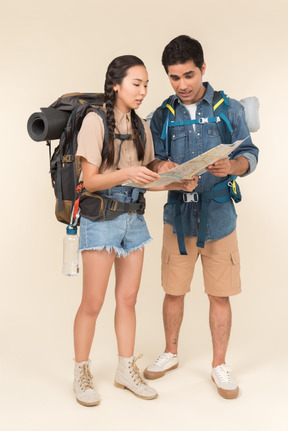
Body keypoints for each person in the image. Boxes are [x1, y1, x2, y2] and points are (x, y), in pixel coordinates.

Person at [73, 55, 198, 406]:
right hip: (100, 221)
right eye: (136, 84)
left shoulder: (141, 126)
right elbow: (90, 181)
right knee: (92, 304)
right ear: (115, 84)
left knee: (127, 300)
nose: (143, 91)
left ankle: (125, 370)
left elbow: (146, 181)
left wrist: (177, 184)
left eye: (146, 85)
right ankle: (81, 372)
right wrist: (128, 173)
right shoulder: (95, 122)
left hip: (134, 222)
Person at [144, 36, 259, 399]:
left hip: (220, 216)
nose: (183, 85)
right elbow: (152, 161)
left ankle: (219, 366)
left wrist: (233, 166)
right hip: (177, 217)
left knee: (219, 295)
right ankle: (171, 352)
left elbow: (251, 155)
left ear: (203, 69)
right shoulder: (162, 115)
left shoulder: (230, 109)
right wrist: (164, 166)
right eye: (174, 77)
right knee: (173, 291)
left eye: (189, 75)